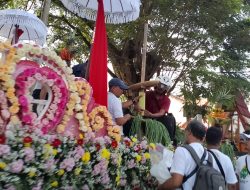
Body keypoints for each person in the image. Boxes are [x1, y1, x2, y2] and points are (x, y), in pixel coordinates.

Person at [158, 120, 207, 190]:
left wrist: (161, 187)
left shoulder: (182, 150)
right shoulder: (208, 154)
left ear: (189, 132)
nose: (184, 134)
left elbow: (176, 182)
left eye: (185, 131)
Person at [144, 75, 176, 141]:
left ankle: (169, 141)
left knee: (170, 119)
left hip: (157, 120)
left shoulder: (166, 100)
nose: (161, 87)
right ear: (156, 85)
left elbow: (161, 113)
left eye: (164, 86)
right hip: (144, 117)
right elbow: (136, 103)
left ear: (166, 89)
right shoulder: (147, 94)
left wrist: (151, 115)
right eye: (160, 85)